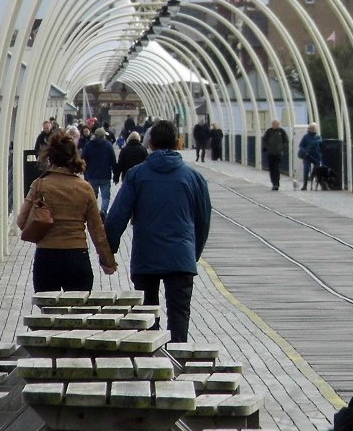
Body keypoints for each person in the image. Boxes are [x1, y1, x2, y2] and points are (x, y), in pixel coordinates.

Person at [106, 120, 211, 344]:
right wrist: (193, 254)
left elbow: (118, 216)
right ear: (177, 143)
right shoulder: (194, 178)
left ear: (150, 144)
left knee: (146, 318)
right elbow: (203, 222)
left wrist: (109, 251)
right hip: (181, 258)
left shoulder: (136, 175)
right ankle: (177, 365)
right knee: (179, 315)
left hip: (146, 257)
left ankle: (151, 367)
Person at [16, 131, 118, 292]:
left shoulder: (39, 185)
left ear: (49, 157)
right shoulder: (84, 188)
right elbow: (97, 231)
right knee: (78, 313)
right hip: (77, 258)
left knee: (48, 314)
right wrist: (108, 261)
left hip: (46, 258)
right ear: (74, 157)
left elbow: (22, 221)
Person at [81, 127, 117, 213]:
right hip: (105, 175)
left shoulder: (88, 145)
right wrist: (116, 175)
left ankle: (93, 213)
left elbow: (83, 159)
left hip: (92, 175)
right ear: (103, 136)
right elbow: (113, 161)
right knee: (105, 197)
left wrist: (85, 174)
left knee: (92, 196)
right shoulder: (108, 145)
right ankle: (103, 212)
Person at [261, 117, 289, 191]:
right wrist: (267, 148)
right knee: (271, 168)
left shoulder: (281, 131)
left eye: (277, 124)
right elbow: (264, 140)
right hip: (270, 153)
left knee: (276, 168)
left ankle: (276, 184)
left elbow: (286, 141)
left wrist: (282, 148)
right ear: (272, 124)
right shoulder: (269, 131)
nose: (276, 125)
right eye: (274, 124)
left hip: (278, 153)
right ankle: (273, 182)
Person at [298, 122, 323, 190]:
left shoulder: (318, 136)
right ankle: (305, 185)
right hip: (307, 156)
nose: (313, 129)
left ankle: (319, 184)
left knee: (317, 171)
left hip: (316, 156)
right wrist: (304, 151)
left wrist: (321, 153)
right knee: (306, 170)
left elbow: (321, 146)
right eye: (311, 128)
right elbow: (301, 145)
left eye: (314, 128)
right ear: (309, 129)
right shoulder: (306, 137)